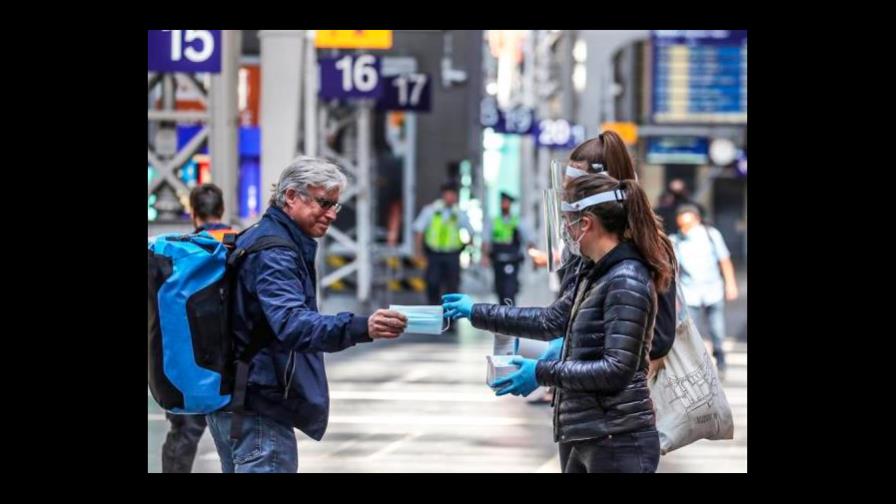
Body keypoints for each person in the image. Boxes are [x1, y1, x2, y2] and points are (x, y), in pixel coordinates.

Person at [205, 156, 409, 473]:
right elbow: (292, 324)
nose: (331, 214)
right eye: (323, 202)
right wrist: (361, 327)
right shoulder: (275, 252)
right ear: (290, 196)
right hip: (259, 410)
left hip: (238, 404)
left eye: (335, 206)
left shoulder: (260, 235)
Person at [443, 131, 677, 386]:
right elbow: (556, 319)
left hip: (620, 404)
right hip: (588, 399)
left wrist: (556, 368)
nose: (569, 225)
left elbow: (651, 343)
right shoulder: (590, 258)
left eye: (576, 196)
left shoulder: (631, 264)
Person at [485, 173, 675, 472]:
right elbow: (552, 319)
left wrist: (541, 371)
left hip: (617, 438)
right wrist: (476, 312)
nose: (566, 231)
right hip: (592, 433)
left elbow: (616, 370)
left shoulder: (625, 279)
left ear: (586, 223)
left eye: (568, 221)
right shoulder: (595, 272)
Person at [161, 183, 233, 473]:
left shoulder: (183, 250)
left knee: (185, 432)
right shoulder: (238, 241)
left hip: (191, 358)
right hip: (233, 357)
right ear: (222, 209)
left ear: (193, 213)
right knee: (237, 437)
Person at [671, 204, 738, 379]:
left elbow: (725, 261)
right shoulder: (675, 240)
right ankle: (698, 367)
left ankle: (720, 360)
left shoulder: (711, 235)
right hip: (689, 293)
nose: (684, 229)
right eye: (681, 225)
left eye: (687, 225)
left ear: (697, 220)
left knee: (717, 330)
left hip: (712, 290)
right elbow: (672, 270)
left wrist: (730, 284)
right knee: (692, 332)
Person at [413, 180, 474, 308]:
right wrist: (418, 252)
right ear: (443, 195)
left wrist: (471, 253)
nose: (451, 198)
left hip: (452, 255)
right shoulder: (431, 210)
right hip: (434, 254)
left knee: (452, 286)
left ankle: (450, 318)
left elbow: (470, 232)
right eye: (449, 194)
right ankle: (434, 311)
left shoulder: (459, 213)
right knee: (432, 283)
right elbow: (419, 231)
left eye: (453, 195)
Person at [481, 191, 536, 307]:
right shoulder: (494, 221)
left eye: (506, 202)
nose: (504, 205)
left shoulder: (518, 221)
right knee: (500, 290)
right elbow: (486, 241)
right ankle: (503, 316)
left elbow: (529, 240)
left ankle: (510, 317)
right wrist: (485, 256)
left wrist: (534, 258)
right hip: (497, 261)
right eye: (502, 202)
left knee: (509, 291)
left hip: (513, 260)